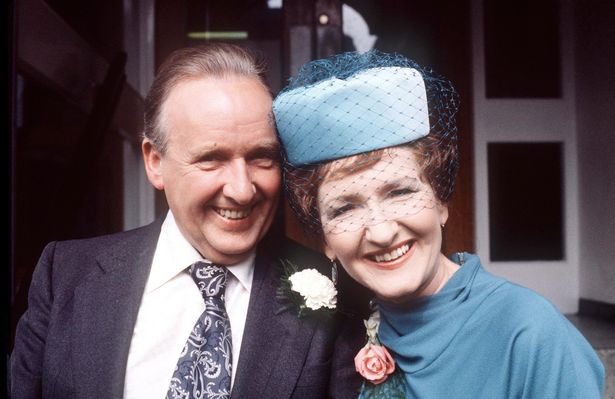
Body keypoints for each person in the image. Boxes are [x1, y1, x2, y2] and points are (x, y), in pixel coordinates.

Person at [11, 43, 365, 399]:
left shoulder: (336, 291)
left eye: (262, 157)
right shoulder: (66, 275)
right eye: (211, 159)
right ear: (154, 161)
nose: (242, 191)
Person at [273, 50, 605, 398]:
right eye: (344, 210)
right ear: (324, 237)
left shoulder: (532, 334)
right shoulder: (334, 337)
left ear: (441, 201)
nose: (382, 232)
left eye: (400, 192)